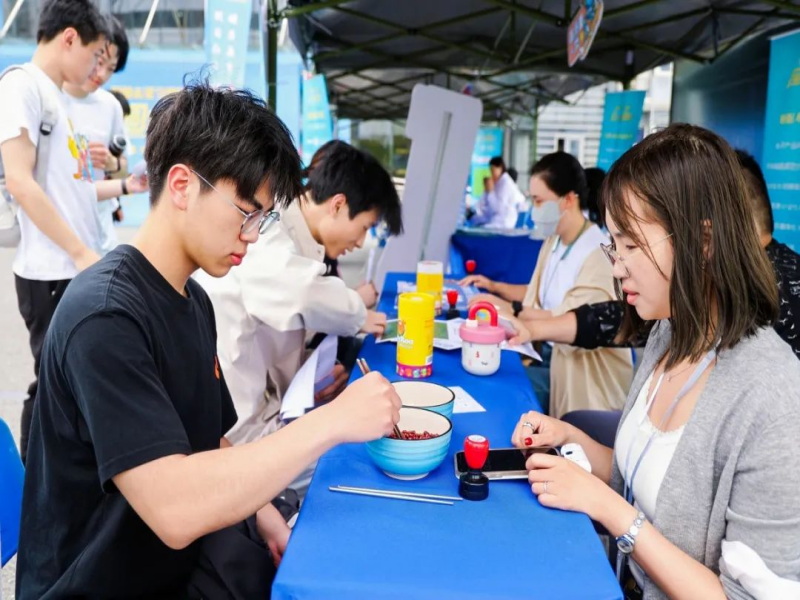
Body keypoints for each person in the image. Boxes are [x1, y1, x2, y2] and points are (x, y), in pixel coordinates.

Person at [15, 81, 403, 599]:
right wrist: (330, 423)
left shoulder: (193, 299)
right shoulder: (104, 317)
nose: (253, 236)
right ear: (181, 185)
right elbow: (175, 511)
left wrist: (266, 518)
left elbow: (208, 440)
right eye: (247, 213)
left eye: (263, 218)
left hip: (176, 563)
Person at [512, 124, 800, 599]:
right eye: (614, 245)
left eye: (631, 246)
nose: (617, 265)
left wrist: (611, 512)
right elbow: (646, 479)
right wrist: (569, 439)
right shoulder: (670, 330)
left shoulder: (774, 400)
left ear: (702, 242)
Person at [197, 141, 402, 493]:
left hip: (264, 409)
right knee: (351, 464)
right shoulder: (272, 229)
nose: (360, 242)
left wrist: (313, 377)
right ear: (338, 205)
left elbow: (282, 323)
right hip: (239, 433)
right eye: (365, 227)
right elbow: (301, 292)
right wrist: (359, 314)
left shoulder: (298, 241)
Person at [0, 0, 146, 464]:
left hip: (76, 263)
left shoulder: (60, 97)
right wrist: (81, 253)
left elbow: (77, 189)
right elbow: (20, 182)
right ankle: (35, 485)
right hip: (52, 270)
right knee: (51, 386)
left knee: (71, 383)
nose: (97, 69)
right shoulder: (21, 85)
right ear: (68, 39)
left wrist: (124, 185)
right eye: (95, 55)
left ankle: (61, 481)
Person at [524, 149, 800, 360]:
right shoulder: (672, 315)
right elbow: (619, 320)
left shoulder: (751, 312)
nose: (618, 268)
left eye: (633, 245)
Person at [461, 151, 632, 417]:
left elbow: (570, 322)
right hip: (549, 357)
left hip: (580, 376)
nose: (534, 210)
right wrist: (494, 288)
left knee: (500, 388)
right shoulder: (553, 242)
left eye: (539, 201)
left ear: (568, 200)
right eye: (532, 200)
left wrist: (511, 310)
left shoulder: (597, 254)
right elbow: (536, 295)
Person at [63, 15, 130, 255]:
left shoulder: (110, 106)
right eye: (99, 61)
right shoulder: (51, 98)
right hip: (59, 234)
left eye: (111, 68)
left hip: (101, 235)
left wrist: (112, 163)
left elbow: (123, 167)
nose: (101, 74)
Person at [470, 156, 524, 229]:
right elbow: (484, 205)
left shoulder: (505, 184)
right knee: (474, 221)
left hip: (503, 222)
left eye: (493, 171)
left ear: (500, 168)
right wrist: (486, 191)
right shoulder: (498, 182)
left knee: (480, 227)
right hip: (495, 219)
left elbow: (497, 208)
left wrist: (490, 192)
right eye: (490, 171)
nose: (491, 174)